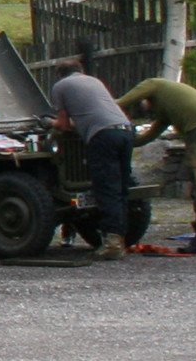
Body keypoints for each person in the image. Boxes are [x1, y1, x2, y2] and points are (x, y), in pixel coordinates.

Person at [119, 74, 196, 246]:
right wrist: (125, 141)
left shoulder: (152, 84)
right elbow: (149, 135)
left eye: (145, 106)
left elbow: (120, 103)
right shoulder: (167, 106)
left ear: (147, 99)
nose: (147, 110)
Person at [49, 59, 138, 259]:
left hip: (103, 135)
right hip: (125, 131)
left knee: (106, 188)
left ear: (59, 74)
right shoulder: (94, 81)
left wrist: (50, 122)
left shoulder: (60, 86)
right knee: (121, 187)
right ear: (80, 70)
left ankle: (112, 245)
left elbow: (64, 125)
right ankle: (120, 238)